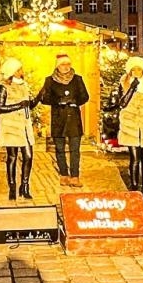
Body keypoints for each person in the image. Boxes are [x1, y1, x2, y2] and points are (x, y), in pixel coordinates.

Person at [37, 52, 90, 187]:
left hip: (73, 119)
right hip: (58, 119)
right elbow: (44, 98)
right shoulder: (50, 80)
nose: (66, 67)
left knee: (75, 149)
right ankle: (64, 174)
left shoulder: (77, 79)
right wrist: (58, 100)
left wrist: (74, 100)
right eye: (63, 64)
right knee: (59, 149)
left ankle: (75, 176)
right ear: (58, 66)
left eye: (68, 64)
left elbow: (85, 96)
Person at [116, 55, 143, 200]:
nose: (136, 72)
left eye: (139, 69)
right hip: (131, 124)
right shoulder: (124, 83)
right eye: (133, 69)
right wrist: (132, 88)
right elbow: (122, 103)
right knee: (134, 158)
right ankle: (134, 187)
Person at [0, 58, 38, 201]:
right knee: (12, 157)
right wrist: (19, 105)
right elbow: (0, 108)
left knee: (28, 156)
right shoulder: (3, 87)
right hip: (11, 126)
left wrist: (36, 100)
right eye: (19, 69)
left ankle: (25, 186)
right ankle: (12, 187)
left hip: (24, 126)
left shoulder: (24, 85)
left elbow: (28, 105)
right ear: (12, 71)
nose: (22, 71)